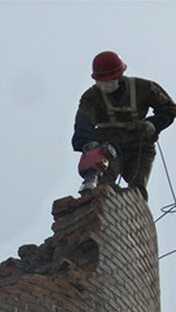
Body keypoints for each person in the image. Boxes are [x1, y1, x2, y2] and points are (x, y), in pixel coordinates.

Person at [72, 51, 176, 200]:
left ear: (119, 77)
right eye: (101, 82)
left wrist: (153, 124)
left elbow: (169, 109)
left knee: (137, 191)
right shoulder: (91, 97)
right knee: (103, 184)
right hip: (108, 146)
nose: (105, 86)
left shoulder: (143, 87)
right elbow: (83, 122)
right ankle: (101, 209)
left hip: (139, 144)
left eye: (108, 81)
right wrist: (87, 142)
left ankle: (133, 215)